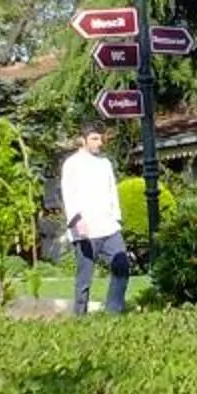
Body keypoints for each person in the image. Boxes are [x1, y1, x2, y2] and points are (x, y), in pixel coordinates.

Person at [58, 123, 131, 315]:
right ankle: (80, 319)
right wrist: (76, 220)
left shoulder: (105, 163)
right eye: (94, 139)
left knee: (122, 265)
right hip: (84, 227)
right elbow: (69, 193)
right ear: (83, 140)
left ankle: (113, 312)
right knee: (85, 277)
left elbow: (111, 191)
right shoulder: (72, 164)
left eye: (100, 139)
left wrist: (117, 218)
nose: (99, 143)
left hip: (108, 227)